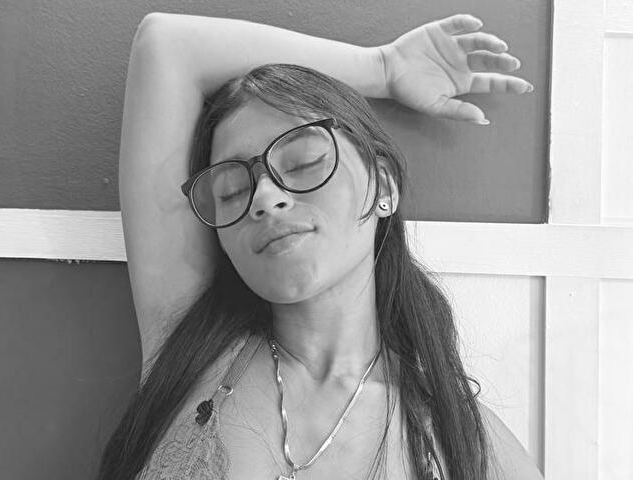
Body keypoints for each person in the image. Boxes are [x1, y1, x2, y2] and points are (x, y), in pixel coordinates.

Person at [98, 11, 542, 480]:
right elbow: (167, 45)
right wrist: (380, 68)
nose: (264, 198)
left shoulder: (459, 439)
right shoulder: (189, 350)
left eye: (303, 162)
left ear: (383, 185)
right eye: (232, 191)